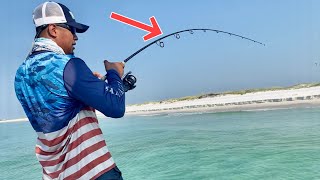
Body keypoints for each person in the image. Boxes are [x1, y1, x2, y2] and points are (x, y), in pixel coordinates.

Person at [14, 2, 127, 179]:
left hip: (56, 174)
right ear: (53, 30)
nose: (76, 37)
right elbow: (116, 107)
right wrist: (114, 73)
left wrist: (91, 85)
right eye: (72, 30)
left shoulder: (21, 74)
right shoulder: (69, 64)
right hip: (94, 172)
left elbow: (59, 107)